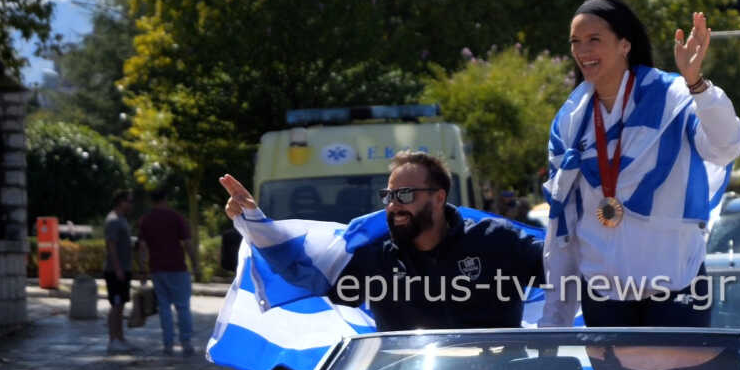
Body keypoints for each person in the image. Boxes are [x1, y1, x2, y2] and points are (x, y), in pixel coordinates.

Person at [541, 0, 740, 329]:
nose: (583, 51)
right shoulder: (569, 119)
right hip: (604, 296)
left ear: (625, 44)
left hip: (676, 288)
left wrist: (697, 83)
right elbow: (562, 224)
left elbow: (726, 146)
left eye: (595, 39)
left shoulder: (676, 96)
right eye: (576, 41)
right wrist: (555, 319)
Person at [220, 151, 545, 331]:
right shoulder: (372, 259)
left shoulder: (497, 241)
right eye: (388, 196)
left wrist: (595, 221)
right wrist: (257, 225)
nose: (392, 205)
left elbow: (564, 266)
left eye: (404, 195)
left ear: (438, 198)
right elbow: (304, 268)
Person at [137, 188, 200, 356]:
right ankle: (186, 342)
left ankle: (168, 344)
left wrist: (143, 270)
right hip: (177, 268)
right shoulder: (177, 217)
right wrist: (195, 264)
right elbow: (187, 244)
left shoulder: (146, 220)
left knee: (164, 308)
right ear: (166, 198)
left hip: (157, 269)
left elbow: (142, 248)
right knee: (183, 307)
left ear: (152, 201)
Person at [103, 189, 137, 355]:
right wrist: (118, 268)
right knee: (116, 305)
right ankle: (112, 339)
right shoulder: (113, 220)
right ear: (120, 202)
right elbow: (111, 246)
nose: (131, 205)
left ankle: (120, 338)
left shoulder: (122, 220)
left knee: (121, 304)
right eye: (129, 201)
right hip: (116, 271)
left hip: (124, 269)